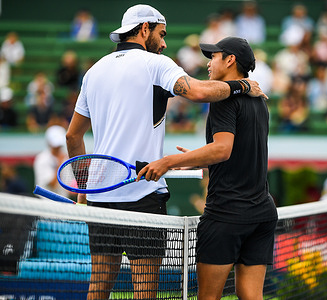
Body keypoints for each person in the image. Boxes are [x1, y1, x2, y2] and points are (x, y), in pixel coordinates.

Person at [64, 4, 266, 300]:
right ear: (144, 29)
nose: (164, 42)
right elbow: (199, 92)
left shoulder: (94, 71)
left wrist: (83, 186)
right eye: (161, 34)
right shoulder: (155, 63)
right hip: (143, 196)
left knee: (98, 290)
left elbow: (73, 136)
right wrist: (242, 85)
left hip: (100, 197)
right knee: (144, 294)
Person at [136, 36, 278, 300]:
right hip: (262, 213)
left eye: (213, 56)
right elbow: (237, 151)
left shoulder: (223, 98)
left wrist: (167, 161)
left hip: (227, 214)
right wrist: (197, 157)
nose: (209, 63)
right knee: (251, 295)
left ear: (230, 60)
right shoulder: (259, 100)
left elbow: (222, 149)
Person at [33, 125, 70, 199]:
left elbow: (70, 185)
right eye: (56, 145)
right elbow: (52, 184)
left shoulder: (66, 158)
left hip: (64, 204)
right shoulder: (42, 159)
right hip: (46, 204)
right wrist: (60, 164)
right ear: (49, 143)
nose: (58, 147)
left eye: (60, 145)